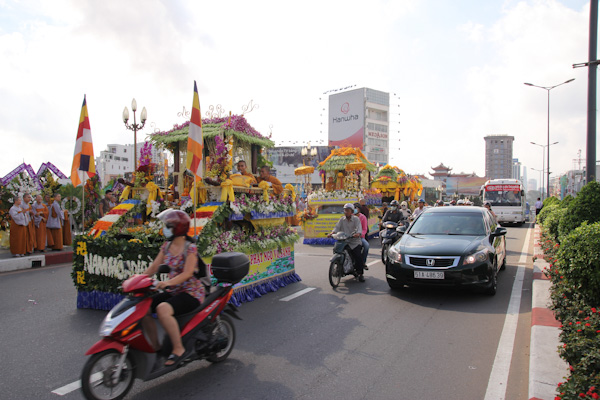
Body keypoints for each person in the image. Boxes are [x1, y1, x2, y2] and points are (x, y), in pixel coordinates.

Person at [142, 210, 205, 366]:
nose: (165, 229)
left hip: (191, 292)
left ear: (178, 228)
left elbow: (188, 273)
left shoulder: (190, 248)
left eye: (168, 226)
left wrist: (168, 283)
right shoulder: (167, 246)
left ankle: (178, 349)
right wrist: (137, 279)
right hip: (175, 291)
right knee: (144, 307)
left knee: (163, 309)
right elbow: (154, 267)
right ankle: (156, 346)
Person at [327, 203, 365, 282]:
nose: (346, 212)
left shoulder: (356, 219)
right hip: (344, 240)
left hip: (354, 241)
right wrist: (332, 233)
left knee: (358, 256)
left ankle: (360, 273)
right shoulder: (342, 219)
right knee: (337, 250)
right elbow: (336, 228)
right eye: (345, 210)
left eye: (347, 210)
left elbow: (359, 229)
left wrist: (357, 234)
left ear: (351, 211)